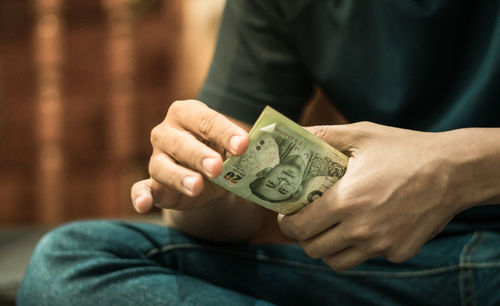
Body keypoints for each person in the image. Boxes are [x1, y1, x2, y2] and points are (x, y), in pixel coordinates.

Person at [18, 0, 500, 305]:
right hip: (389, 273)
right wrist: (199, 188)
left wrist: (461, 168)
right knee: (69, 264)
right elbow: (230, 214)